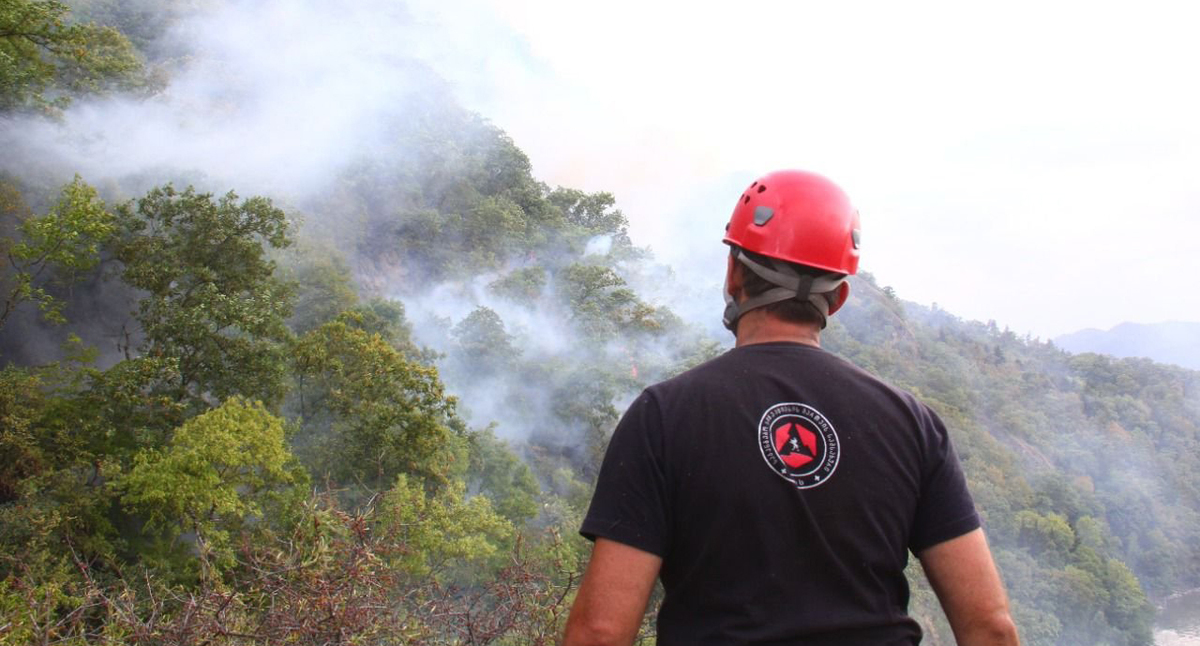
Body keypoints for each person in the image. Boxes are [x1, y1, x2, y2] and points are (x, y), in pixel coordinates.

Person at [561, 170, 1019, 646]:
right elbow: (990, 627)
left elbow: (600, 634)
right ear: (838, 299)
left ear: (733, 274)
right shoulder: (914, 425)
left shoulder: (662, 416)